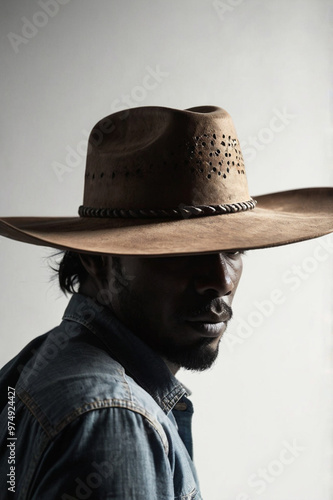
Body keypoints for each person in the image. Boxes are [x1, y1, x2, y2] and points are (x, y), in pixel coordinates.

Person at [0, 105, 332, 499]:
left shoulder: (35, 364)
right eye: (182, 252)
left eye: (236, 250)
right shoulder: (116, 418)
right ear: (97, 261)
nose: (221, 282)